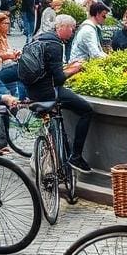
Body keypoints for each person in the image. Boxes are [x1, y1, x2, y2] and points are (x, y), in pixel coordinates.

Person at [24, 15, 94, 173]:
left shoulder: (39, 38)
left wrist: (67, 67)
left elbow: (49, 70)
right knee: (87, 110)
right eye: (72, 28)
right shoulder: (56, 45)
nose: (73, 32)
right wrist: (76, 69)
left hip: (33, 91)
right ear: (62, 27)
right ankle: (76, 156)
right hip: (48, 92)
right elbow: (59, 79)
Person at [0, 12, 22, 96]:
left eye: (9, 23)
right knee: (22, 72)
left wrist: (14, 53)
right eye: (5, 23)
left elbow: (6, 50)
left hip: (8, 65)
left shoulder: (2, 35)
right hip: (0, 69)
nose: (8, 26)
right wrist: (10, 55)